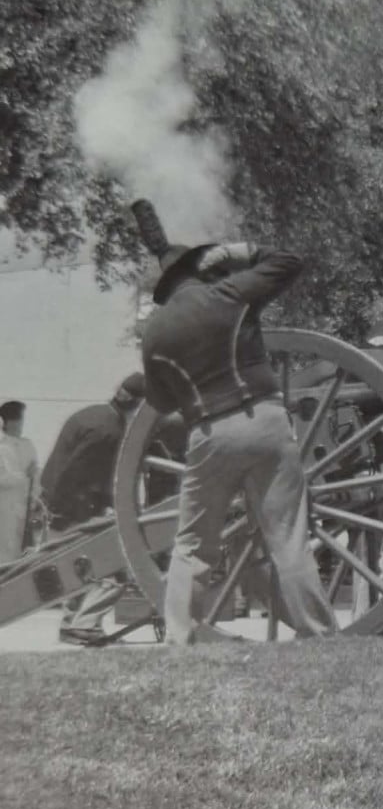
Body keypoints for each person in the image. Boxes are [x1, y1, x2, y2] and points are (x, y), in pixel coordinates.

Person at [141, 237, 338, 644]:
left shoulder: (154, 333)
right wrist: (237, 252)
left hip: (208, 433)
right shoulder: (228, 294)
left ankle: (178, 642)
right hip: (264, 420)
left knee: (192, 544)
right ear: (200, 270)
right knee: (288, 536)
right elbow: (289, 258)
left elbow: (160, 400)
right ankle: (317, 635)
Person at [41, 373, 148, 643]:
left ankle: (72, 625)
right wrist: (92, 509)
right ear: (137, 405)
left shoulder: (93, 414)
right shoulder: (109, 429)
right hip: (72, 509)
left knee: (75, 569)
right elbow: (76, 471)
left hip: (63, 506)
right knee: (118, 568)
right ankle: (84, 625)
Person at [0, 400, 40, 564]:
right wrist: (25, 476)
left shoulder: (28, 445)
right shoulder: (1, 446)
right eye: (16, 420)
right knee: (5, 552)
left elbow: (36, 475)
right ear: (6, 422)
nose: (19, 425)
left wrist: (35, 497)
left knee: (24, 553)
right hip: (4, 509)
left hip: (25, 508)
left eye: (21, 420)